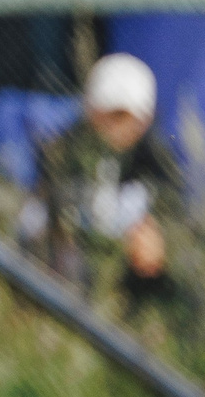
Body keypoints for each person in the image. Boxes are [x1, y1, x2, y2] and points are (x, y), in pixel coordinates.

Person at [22, 54, 179, 305]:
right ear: (90, 110)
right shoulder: (62, 154)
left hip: (134, 284)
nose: (115, 128)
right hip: (73, 281)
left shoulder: (157, 163)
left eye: (124, 117)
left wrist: (161, 239)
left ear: (145, 119)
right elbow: (38, 218)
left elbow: (178, 213)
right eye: (109, 114)